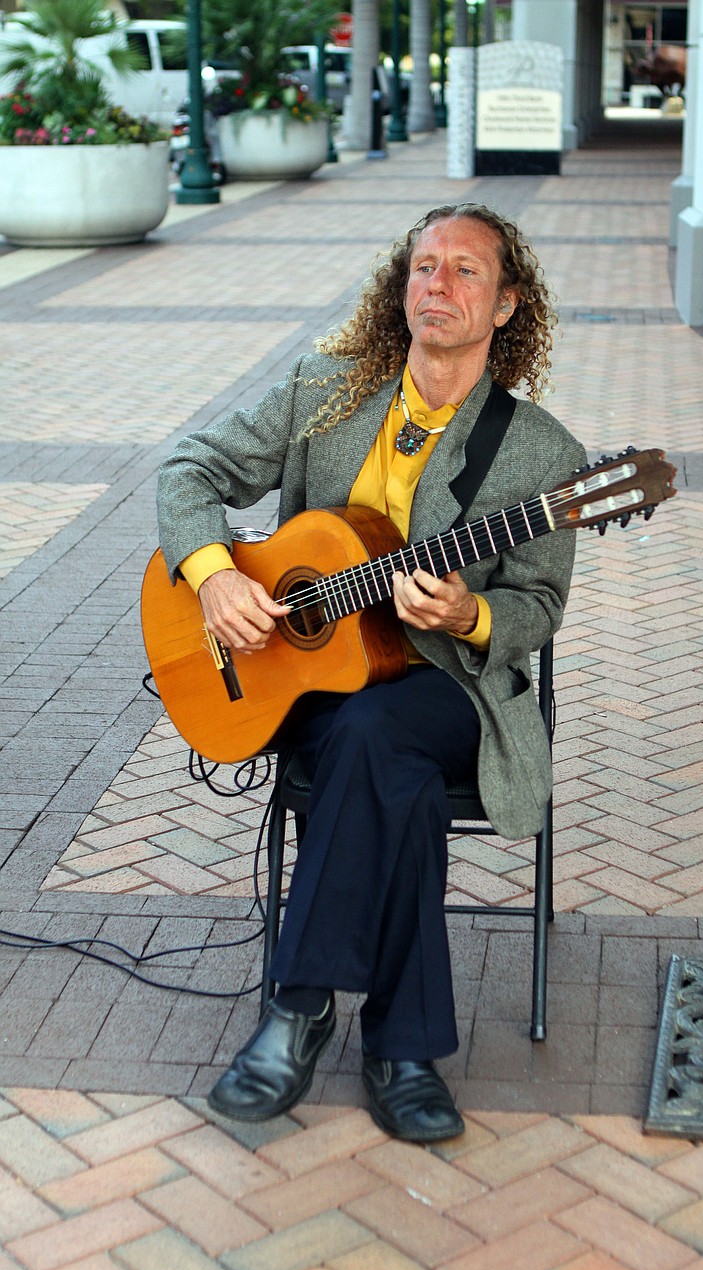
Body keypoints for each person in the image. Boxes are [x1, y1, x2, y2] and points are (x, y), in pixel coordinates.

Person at [156, 203, 586, 1142]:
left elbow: (537, 609)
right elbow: (188, 468)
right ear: (401, 288)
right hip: (310, 680)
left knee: (382, 734)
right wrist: (215, 572)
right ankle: (401, 1051)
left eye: (466, 271)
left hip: (450, 685)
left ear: (509, 305)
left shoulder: (544, 455)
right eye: (424, 266)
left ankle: (298, 1006)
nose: (439, 283)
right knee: (386, 768)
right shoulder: (326, 389)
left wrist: (470, 612)